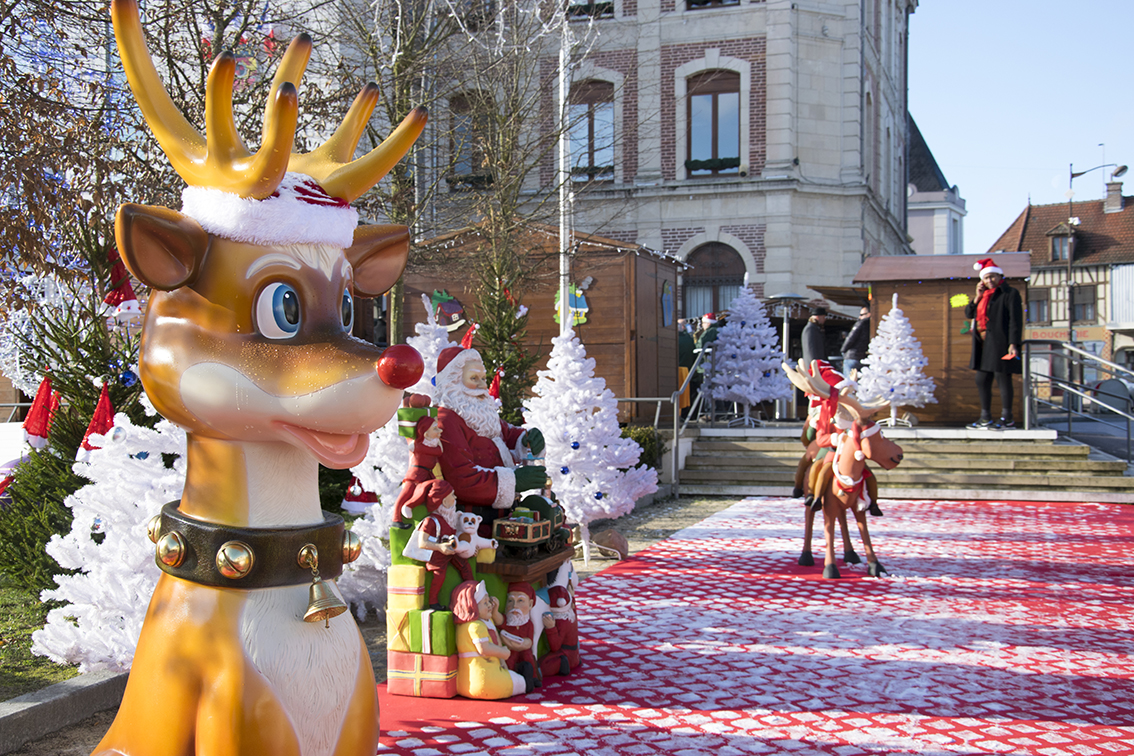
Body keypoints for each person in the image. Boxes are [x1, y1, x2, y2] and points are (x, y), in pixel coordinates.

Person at [433, 343, 546, 532]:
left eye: (483, 378)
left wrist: (528, 438)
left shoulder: (477, 412)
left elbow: (507, 433)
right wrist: (514, 481)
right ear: (453, 382)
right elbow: (462, 479)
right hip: (472, 527)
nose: (482, 385)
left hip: (503, 518)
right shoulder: (446, 421)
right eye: (473, 378)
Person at [964, 258, 1023, 429]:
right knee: (981, 379)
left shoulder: (1009, 293)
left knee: (1002, 377)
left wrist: (1013, 343)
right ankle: (985, 417)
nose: (990, 281)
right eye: (986, 278)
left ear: (1000, 276)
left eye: (993, 277)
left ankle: (1007, 418)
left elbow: (1015, 320)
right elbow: (969, 313)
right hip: (983, 343)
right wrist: (977, 296)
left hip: (1001, 341)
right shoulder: (983, 296)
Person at [451, 580, 527, 699]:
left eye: (488, 602)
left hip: (467, 682)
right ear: (472, 606)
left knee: (515, 676)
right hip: (485, 681)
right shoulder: (476, 626)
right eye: (485, 603)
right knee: (522, 682)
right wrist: (503, 652)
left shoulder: (469, 625)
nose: (489, 605)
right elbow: (483, 648)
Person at [407, 480, 475, 609]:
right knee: (439, 576)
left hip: (451, 551)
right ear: (444, 501)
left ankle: (473, 591)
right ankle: (433, 602)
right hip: (437, 556)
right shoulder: (430, 521)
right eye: (452, 495)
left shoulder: (451, 519)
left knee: (465, 566)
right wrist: (440, 547)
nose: (455, 498)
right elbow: (422, 542)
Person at [392, 410, 445, 527]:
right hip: (416, 473)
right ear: (426, 434)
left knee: (424, 493)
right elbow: (438, 451)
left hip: (427, 474)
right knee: (405, 494)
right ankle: (396, 520)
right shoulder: (420, 446)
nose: (439, 430)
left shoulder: (431, 443)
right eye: (435, 429)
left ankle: (416, 512)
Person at [500, 581, 539, 692]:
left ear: (530, 604)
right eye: (510, 601)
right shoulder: (507, 620)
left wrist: (524, 643)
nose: (514, 606)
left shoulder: (528, 624)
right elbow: (498, 619)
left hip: (523, 649)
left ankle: (533, 678)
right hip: (510, 648)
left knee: (528, 656)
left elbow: (529, 640)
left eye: (520, 601)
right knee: (510, 658)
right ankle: (510, 678)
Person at [840, 306, 871, 375]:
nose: (859, 317)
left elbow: (851, 338)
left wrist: (843, 350)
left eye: (862, 315)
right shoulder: (872, 325)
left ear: (868, 314)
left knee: (849, 381)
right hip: (863, 356)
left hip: (852, 355)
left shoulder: (860, 323)